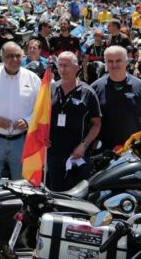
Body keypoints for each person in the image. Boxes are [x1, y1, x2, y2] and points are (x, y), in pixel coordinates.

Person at [0, 41, 41, 194]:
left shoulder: (33, 79)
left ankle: (19, 217)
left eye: (18, 56)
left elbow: (40, 109)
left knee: (25, 189)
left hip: (22, 141)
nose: (15, 60)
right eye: (10, 56)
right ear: (2, 57)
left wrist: (27, 121)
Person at [46, 52, 101, 191]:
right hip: (53, 154)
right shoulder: (50, 89)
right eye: (60, 65)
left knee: (77, 196)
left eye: (67, 66)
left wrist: (84, 145)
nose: (63, 69)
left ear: (77, 67)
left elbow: (96, 124)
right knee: (55, 194)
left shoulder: (87, 92)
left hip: (77, 155)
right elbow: (41, 118)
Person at [92, 45, 141, 150]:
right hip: (104, 153)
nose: (114, 65)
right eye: (110, 61)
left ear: (126, 62)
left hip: (135, 151)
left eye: (118, 61)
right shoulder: (95, 88)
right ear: (105, 63)